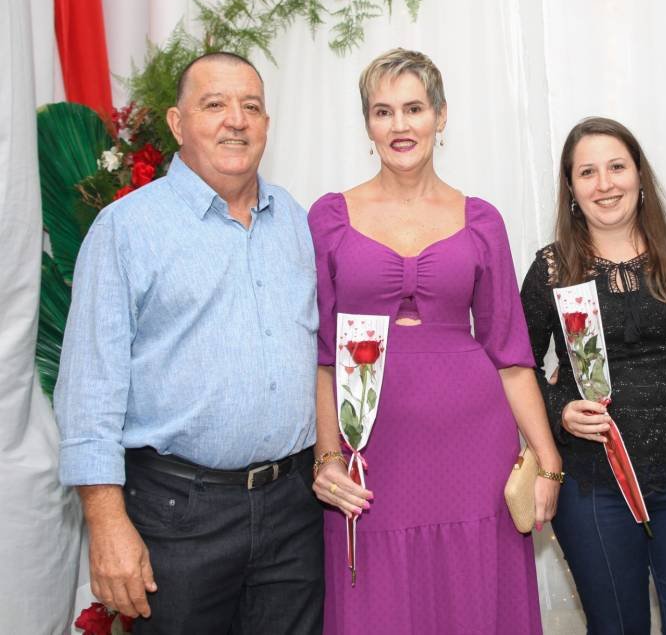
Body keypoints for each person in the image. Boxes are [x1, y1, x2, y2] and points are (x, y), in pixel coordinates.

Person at [54, 51, 324, 633]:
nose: (236, 120)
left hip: (293, 511)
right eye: (215, 104)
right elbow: (88, 393)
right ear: (177, 124)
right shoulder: (126, 230)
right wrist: (106, 524)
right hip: (179, 517)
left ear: (267, 124)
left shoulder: (296, 222)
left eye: (251, 106)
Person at [308, 48, 562, 634]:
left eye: (414, 108)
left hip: (474, 446)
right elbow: (322, 356)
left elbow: (510, 353)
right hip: (370, 448)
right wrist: (328, 457)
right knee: (376, 600)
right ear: (367, 124)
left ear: (440, 116)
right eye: (383, 112)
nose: (400, 125)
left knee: (474, 593)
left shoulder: (481, 219)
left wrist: (548, 459)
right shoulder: (329, 218)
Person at [520, 116, 666, 634]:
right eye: (587, 172)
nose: (605, 184)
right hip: (593, 486)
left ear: (639, 174)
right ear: (571, 188)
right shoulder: (553, 269)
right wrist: (560, 410)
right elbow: (516, 366)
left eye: (616, 167)